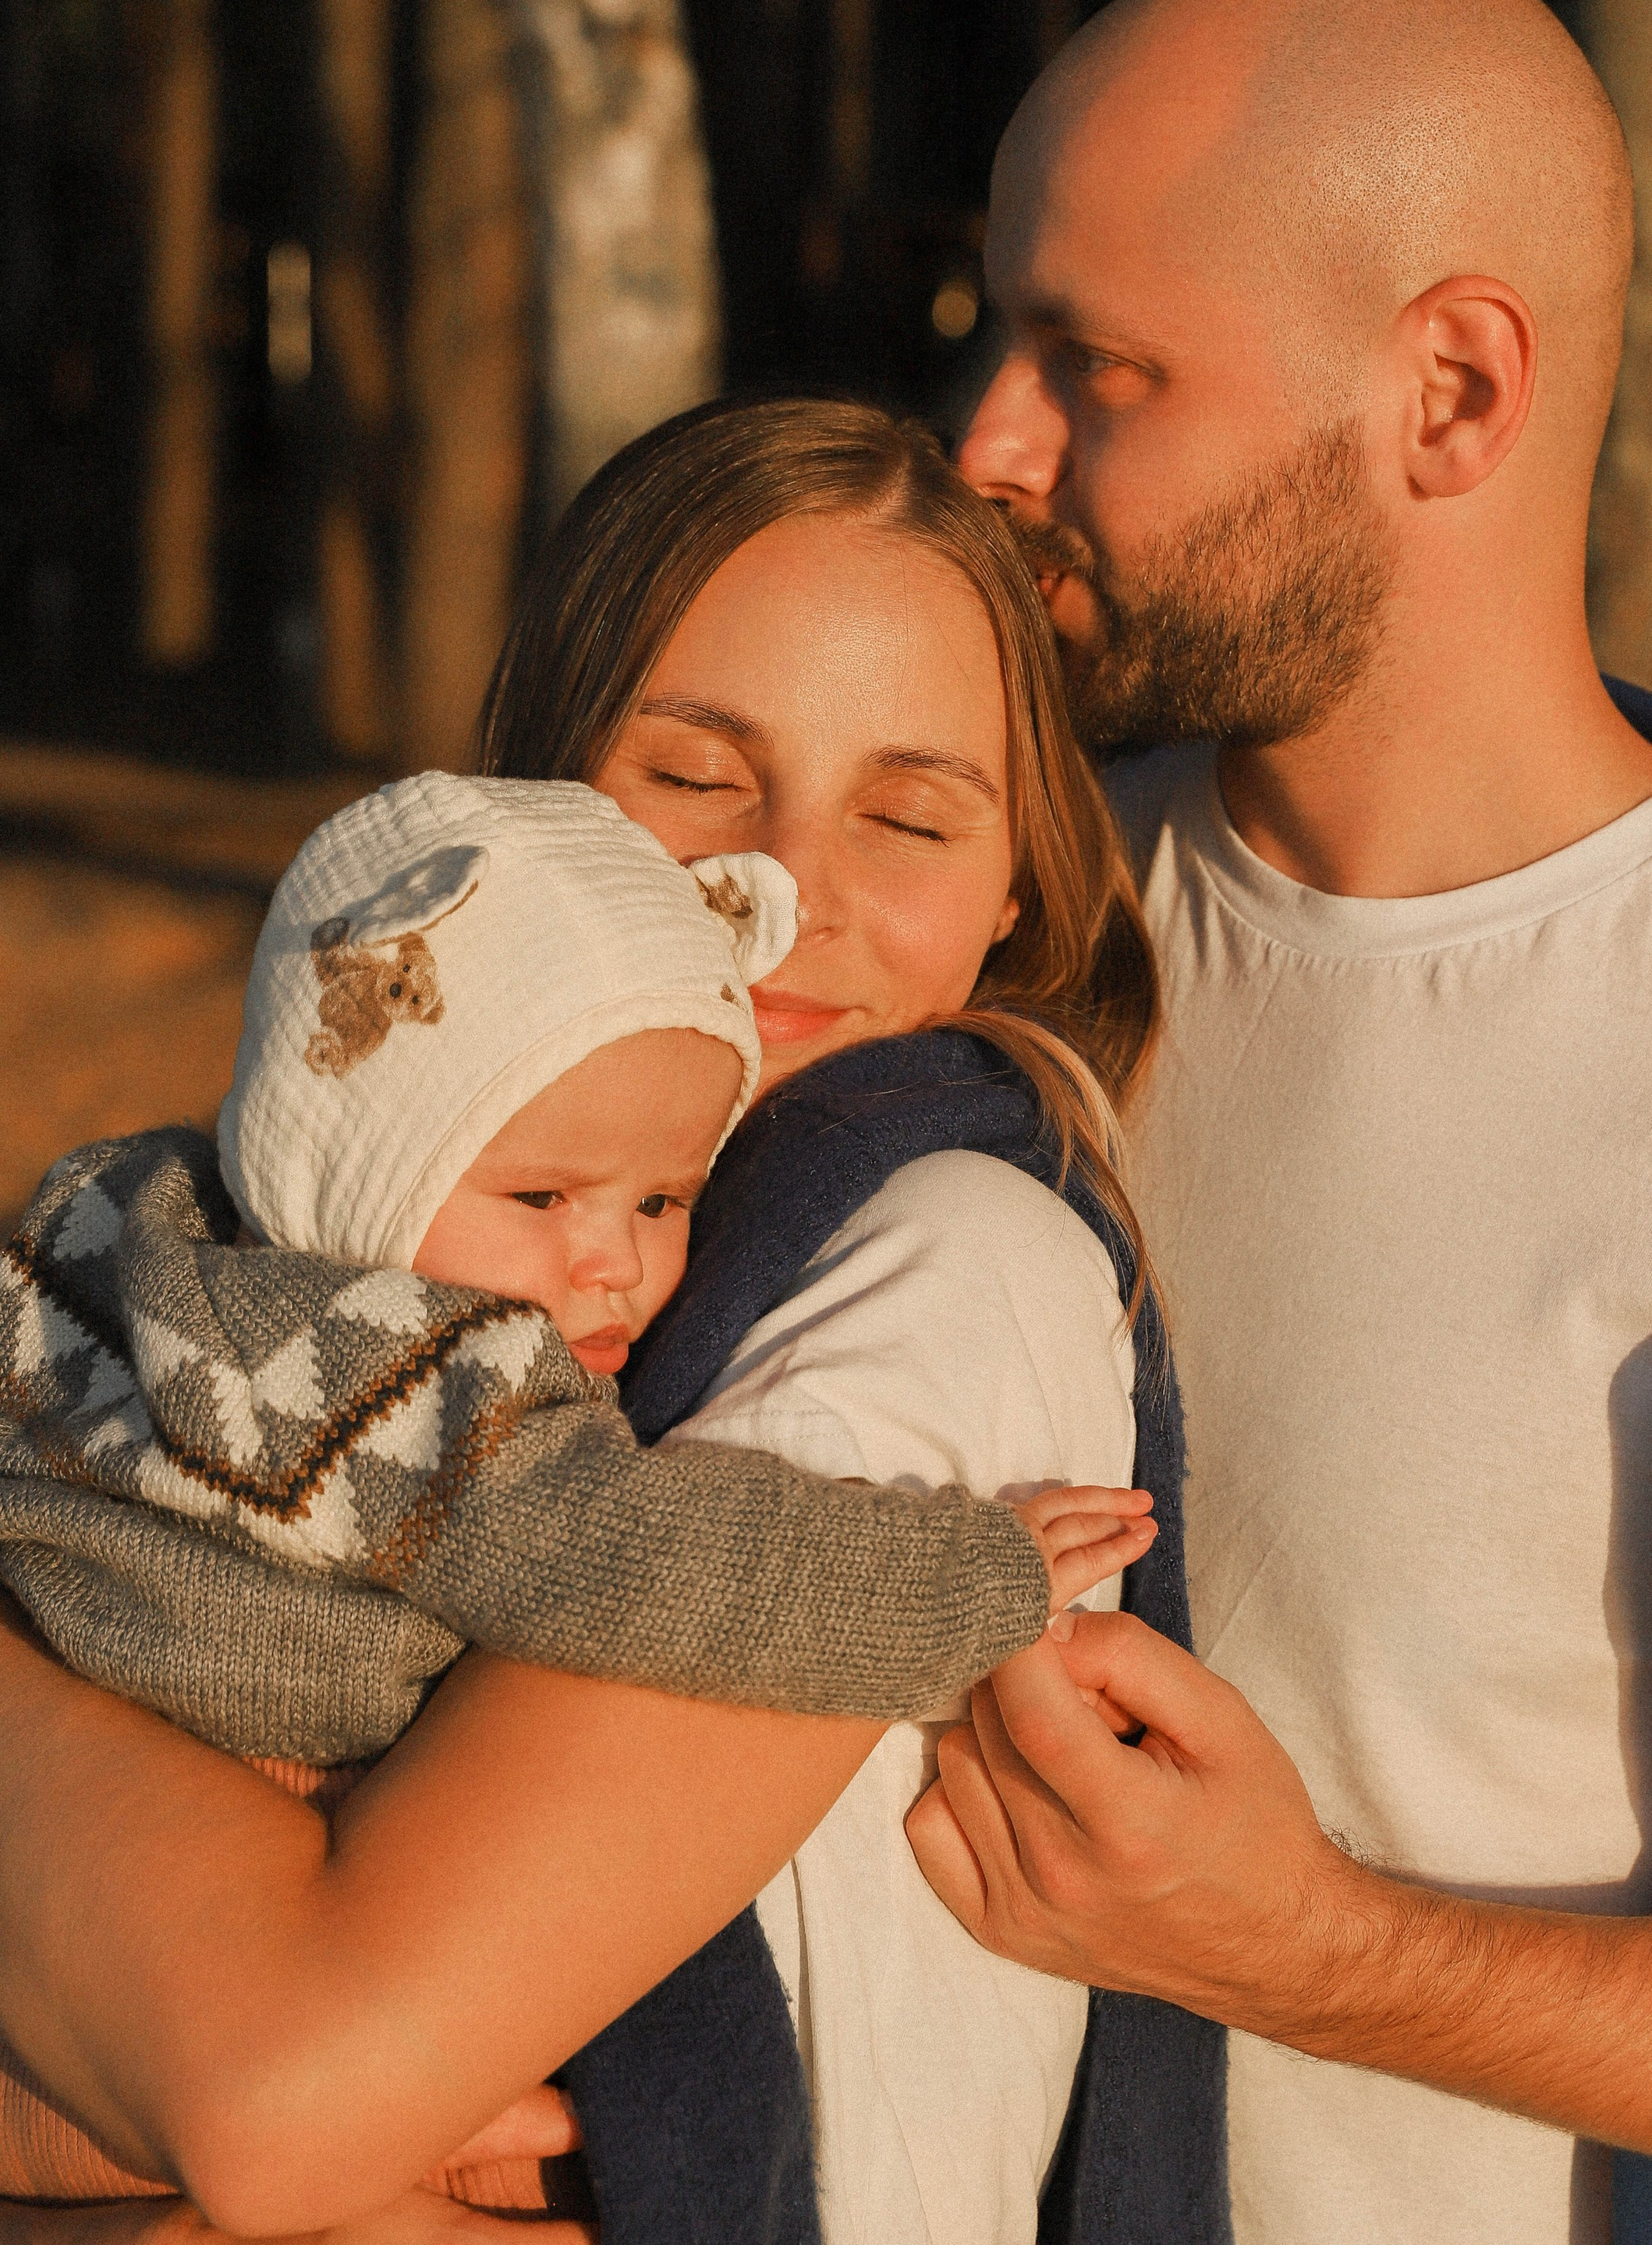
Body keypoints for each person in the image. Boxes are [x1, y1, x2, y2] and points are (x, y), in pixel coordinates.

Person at [904, 0, 1652, 2245]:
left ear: (1455, 395)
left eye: (1092, 364)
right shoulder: (956, 938)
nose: (985, 447)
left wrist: (1320, 1958)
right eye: (991, 335)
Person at [0, 400, 1221, 2245]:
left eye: (905, 813)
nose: (785, 894)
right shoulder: (397, 1226)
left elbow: (273, 2095)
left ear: (1015, 887)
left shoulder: (934, 1264)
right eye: (698, 779)